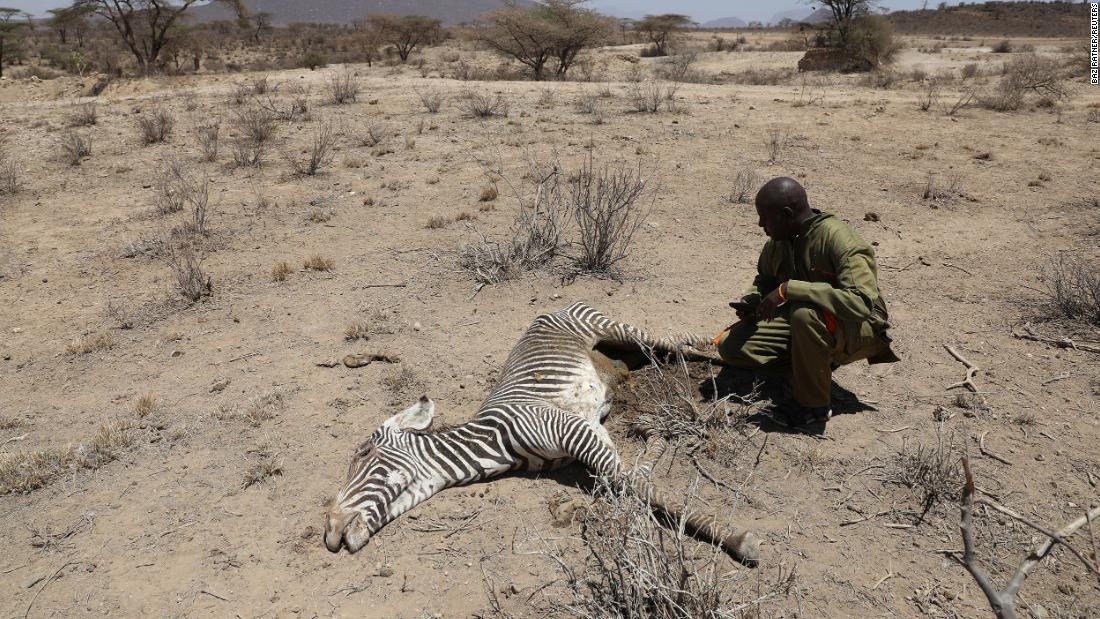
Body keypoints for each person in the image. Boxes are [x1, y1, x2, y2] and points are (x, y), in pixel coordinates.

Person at [715, 177, 899, 425]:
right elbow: (765, 279)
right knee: (732, 347)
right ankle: (809, 366)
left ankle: (812, 406)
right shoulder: (779, 242)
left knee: (804, 313)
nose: (760, 224)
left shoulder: (840, 241)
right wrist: (753, 300)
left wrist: (791, 289)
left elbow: (861, 303)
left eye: (765, 217)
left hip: (859, 327)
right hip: (807, 323)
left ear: (787, 214)